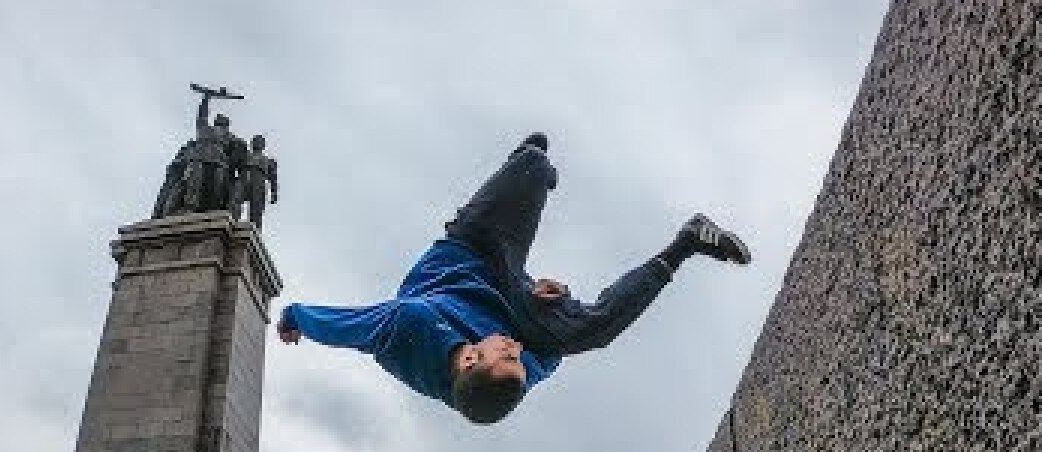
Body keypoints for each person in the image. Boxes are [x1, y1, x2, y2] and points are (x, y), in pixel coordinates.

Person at [276, 133, 751, 424]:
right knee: (587, 334)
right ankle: (689, 240)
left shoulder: (408, 327)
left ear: (468, 360)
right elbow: (543, 350)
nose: (514, 350)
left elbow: (348, 326)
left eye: (504, 354)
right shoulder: (517, 371)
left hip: (464, 253)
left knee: (536, 164)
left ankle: (522, 163)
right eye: (517, 359)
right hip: (516, 301)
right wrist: (552, 303)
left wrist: (295, 318)